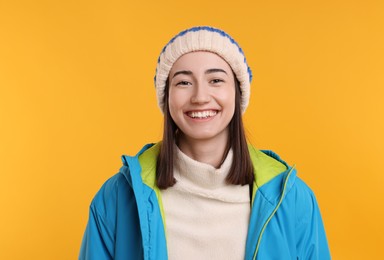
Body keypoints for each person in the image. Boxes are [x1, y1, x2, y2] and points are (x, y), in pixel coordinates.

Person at [79, 26, 331, 260]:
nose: (200, 97)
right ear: (166, 97)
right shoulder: (117, 198)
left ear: (237, 92)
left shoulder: (291, 198)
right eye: (184, 82)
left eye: (216, 80)